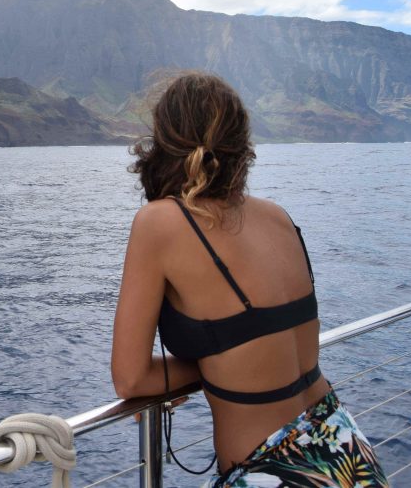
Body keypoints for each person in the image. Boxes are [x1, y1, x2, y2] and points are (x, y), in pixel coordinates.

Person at [110, 72, 388, 487]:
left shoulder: (160, 222)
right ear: (242, 142)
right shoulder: (277, 215)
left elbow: (130, 379)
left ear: (164, 140)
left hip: (274, 472)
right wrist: (229, 363)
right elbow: (273, 346)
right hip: (346, 448)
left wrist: (214, 367)